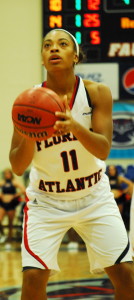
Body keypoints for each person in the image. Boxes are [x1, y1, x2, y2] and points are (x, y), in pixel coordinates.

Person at [9, 29, 134, 300]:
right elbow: (17, 166)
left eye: (62, 44)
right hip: (47, 201)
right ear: (42, 58)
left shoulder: (96, 93)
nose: (54, 48)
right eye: (47, 45)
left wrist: (75, 127)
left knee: (126, 275)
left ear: (75, 55)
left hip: (94, 197)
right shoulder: (27, 102)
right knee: (32, 279)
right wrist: (32, 134)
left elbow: (103, 149)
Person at [0, 168, 25, 244]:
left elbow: (23, 189)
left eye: (8, 173)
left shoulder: (14, 182)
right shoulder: (2, 182)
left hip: (11, 204)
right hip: (3, 204)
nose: (7, 175)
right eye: (5, 173)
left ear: (11, 174)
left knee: (10, 222)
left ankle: (9, 240)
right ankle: (3, 235)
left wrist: (15, 195)